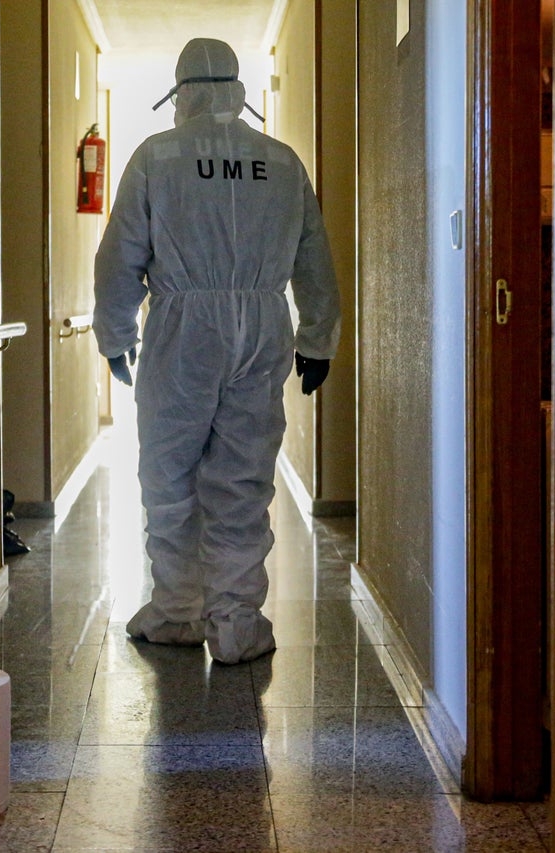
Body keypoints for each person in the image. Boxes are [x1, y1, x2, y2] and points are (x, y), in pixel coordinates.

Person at [93, 37, 341, 665]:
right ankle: (236, 622)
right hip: (262, 325)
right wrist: (317, 335)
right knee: (244, 474)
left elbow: (120, 255)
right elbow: (314, 258)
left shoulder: (157, 156)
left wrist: (116, 334)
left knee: (169, 471)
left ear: (182, 93)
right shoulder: (282, 160)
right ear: (235, 87)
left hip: (183, 329)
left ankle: (177, 612)